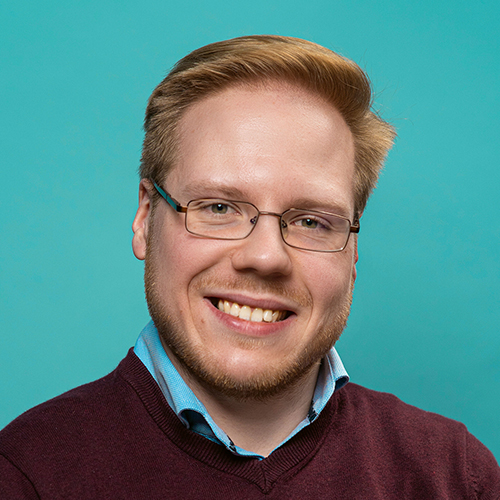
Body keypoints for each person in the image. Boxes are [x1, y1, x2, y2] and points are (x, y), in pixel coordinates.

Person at [1, 35, 499, 499]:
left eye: (311, 221)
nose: (265, 257)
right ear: (145, 219)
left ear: (352, 253)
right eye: (219, 207)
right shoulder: (26, 475)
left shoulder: (456, 478)